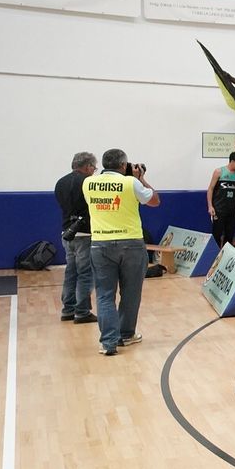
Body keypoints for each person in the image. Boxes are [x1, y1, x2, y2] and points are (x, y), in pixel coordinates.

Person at [84, 150, 161, 356]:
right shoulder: (130, 183)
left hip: (100, 243)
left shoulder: (88, 183)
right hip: (131, 244)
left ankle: (108, 342)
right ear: (123, 165)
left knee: (104, 295)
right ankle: (126, 334)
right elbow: (154, 201)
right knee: (130, 293)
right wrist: (141, 178)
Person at [54, 151, 97, 324]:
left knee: (70, 271)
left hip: (67, 233)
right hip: (85, 233)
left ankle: (68, 309)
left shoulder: (60, 183)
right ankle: (82, 311)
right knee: (86, 273)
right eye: (93, 167)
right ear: (87, 166)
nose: (94, 171)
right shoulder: (88, 182)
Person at [206, 152, 235, 248]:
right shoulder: (219, 172)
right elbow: (210, 189)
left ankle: (226, 256)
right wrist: (210, 206)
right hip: (219, 208)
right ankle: (214, 255)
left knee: (230, 234)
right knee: (217, 233)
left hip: (232, 209)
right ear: (232, 161)